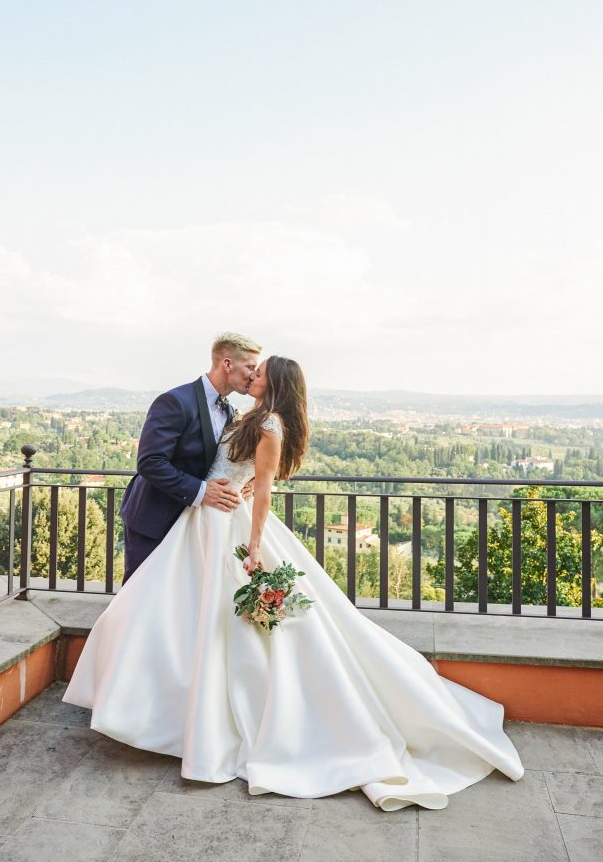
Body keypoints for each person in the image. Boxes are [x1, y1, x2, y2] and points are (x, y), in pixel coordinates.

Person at [64, 355, 523, 811]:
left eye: (259, 372)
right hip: (204, 521)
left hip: (228, 527)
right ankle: (171, 713)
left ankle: (203, 722)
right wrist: (231, 485)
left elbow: (262, 487)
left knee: (213, 624)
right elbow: (244, 475)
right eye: (250, 368)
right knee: (175, 613)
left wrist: (256, 545)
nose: (252, 375)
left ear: (275, 382)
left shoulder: (269, 426)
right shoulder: (255, 417)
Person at [119, 332, 262, 582]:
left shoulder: (228, 410)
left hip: (195, 525)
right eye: (250, 366)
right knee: (141, 595)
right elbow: (149, 462)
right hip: (155, 517)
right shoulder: (175, 401)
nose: (253, 375)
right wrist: (201, 491)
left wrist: (246, 482)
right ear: (227, 364)